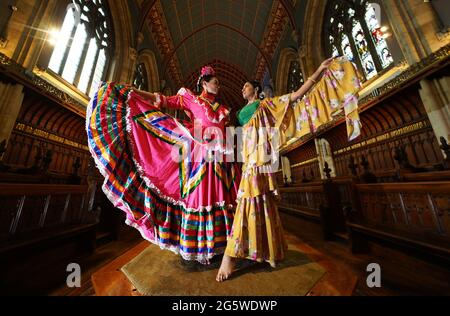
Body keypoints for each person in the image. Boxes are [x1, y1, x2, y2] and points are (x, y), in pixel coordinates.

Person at [216, 56, 363, 281]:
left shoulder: (265, 104)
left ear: (255, 89)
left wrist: (317, 73)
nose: (242, 88)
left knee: (253, 198)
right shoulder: (241, 112)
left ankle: (232, 255)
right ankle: (266, 251)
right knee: (257, 200)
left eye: (245, 85)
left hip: (261, 157)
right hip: (248, 157)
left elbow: (295, 97)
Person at [87, 66, 241, 265]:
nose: (218, 86)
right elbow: (162, 99)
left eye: (218, 83)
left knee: (223, 198)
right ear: (204, 83)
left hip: (221, 161)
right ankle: (203, 248)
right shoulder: (190, 98)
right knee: (200, 198)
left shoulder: (223, 110)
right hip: (200, 158)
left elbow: (228, 134)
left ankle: (224, 247)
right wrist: (133, 91)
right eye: (215, 82)